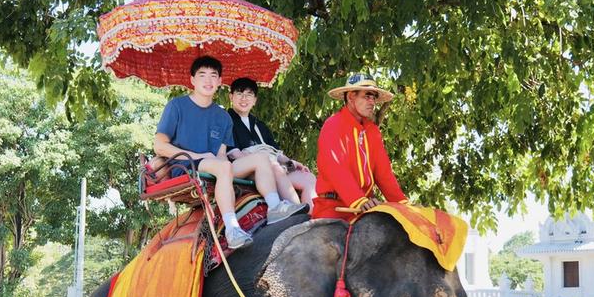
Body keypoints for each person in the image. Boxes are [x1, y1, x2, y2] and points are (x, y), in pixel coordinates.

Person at [154, 56, 306, 250]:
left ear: (219, 82)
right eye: (202, 75)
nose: (208, 80)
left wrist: (230, 165)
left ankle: (275, 206)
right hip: (186, 165)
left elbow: (222, 154)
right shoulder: (176, 106)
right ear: (192, 80)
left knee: (260, 159)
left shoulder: (223, 117)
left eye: (213, 75)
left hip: (217, 166)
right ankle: (232, 228)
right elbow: (159, 145)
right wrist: (198, 156)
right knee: (223, 166)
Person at [312, 73, 408, 221]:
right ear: (351, 97)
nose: (372, 102)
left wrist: (403, 205)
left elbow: (384, 174)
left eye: (374, 97)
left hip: (365, 209)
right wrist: (359, 199)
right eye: (367, 96)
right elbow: (336, 168)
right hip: (333, 208)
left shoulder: (372, 130)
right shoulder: (333, 125)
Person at [225, 77, 317, 210]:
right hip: (250, 166)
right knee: (274, 167)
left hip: (274, 164)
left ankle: (312, 216)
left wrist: (292, 163)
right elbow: (233, 153)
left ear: (255, 100)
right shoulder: (227, 121)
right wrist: (265, 162)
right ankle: (296, 210)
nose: (244, 98)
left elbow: (276, 151)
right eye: (239, 94)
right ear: (231, 97)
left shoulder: (259, 124)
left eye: (249, 94)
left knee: (308, 177)